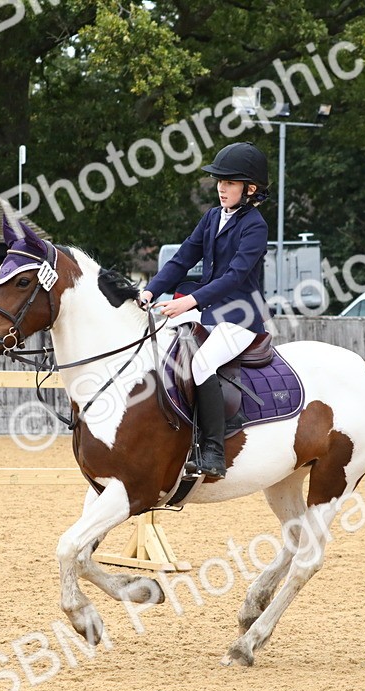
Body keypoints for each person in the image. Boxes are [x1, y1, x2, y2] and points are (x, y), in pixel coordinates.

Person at [139, 142, 270, 478]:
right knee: (160, 339)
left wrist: (189, 301)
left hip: (242, 315)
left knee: (201, 363)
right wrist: (151, 290)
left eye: (229, 183)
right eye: (220, 182)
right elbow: (182, 259)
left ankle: (213, 452)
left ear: (250, 189)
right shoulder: (212, 217)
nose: (221, 188)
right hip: (209, 308)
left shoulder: (255, 225)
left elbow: (235, 275)